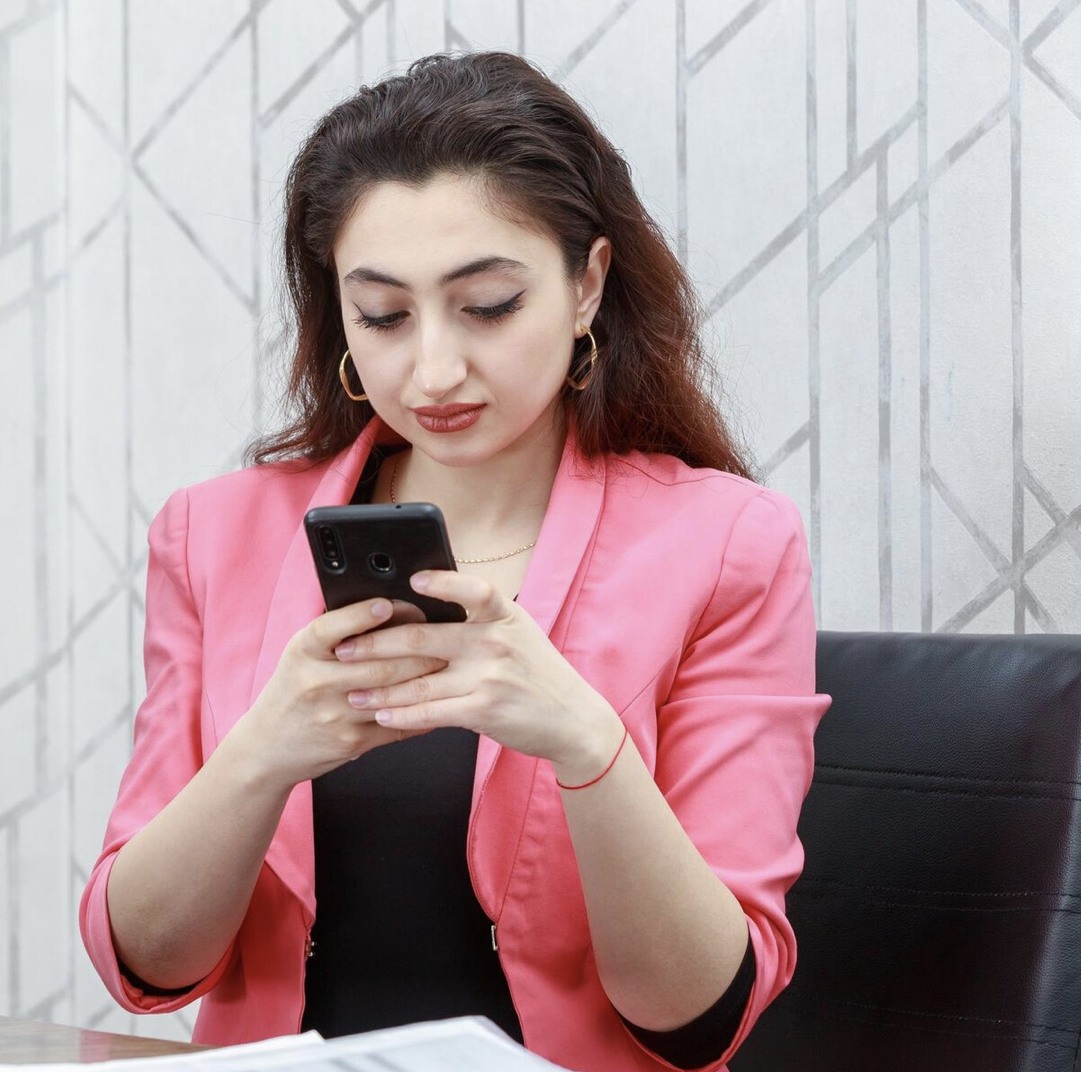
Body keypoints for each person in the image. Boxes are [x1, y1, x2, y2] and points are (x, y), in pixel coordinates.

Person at [78, 50, 830, 1072]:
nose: (432, 370)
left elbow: (701, 1014)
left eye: (487, 305)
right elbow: (144, 964)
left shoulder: (730, 544)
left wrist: (585, 743)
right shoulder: (213, 534)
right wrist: (263, 754)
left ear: (586, 286)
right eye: (383, 315)